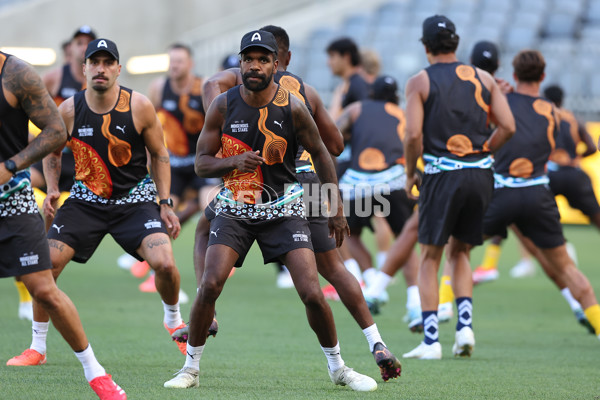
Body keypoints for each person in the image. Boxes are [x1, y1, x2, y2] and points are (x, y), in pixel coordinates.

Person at [182, 24, 402, 382]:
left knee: (204, 227)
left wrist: (230, 139)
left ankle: (209, 311)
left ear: (275, 58)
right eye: (250, 59)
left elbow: (210, 84)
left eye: (263, 58)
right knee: (333, 268)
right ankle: (375, 341)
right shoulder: (305, 91)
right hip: (309, 182)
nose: (256, 65)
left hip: (274, 185)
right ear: (290, 56)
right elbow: (335, 146)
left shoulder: (244, 89)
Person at [7, 38, 188, 367]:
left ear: (118, 69)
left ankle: (174, 320)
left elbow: (160, 155)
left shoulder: (140, 106)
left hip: (135, 202)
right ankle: (37, 347)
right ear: (84, 68)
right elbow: (51, 148)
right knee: (43, 267)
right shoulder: (68, 109)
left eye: (108, 63)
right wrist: (50, 189)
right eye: (95, 62)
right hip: (85, 204)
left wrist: (165, 203)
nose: (101, 69)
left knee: (165, 263)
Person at [0, 50, 125, 399]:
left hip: (12, 197)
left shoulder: (15, 73)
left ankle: (94, 371)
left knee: (43, 288)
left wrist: (11, 165)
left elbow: (55, 131)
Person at [402, 15, 515, 360]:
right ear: (456, 43)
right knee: (461, 252)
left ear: (425, 47)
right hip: (481, 175)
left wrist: (410, 172)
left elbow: (414, 135)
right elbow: (508, 126)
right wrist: (482, 154)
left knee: (429, 257)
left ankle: (431, 341)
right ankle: (465, 329)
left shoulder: (419, 81)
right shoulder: (484, 78)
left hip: (441, 174)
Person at [482, 49, 600, 341]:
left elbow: (485, 130)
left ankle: (444, 319)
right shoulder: (555, 112)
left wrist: (496, 91)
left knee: (453, 248)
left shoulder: (503, 102)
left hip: (504, 190)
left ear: (515, 74)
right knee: (569, 269)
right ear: (543, 76)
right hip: (539, 190)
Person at [335, 75, 421, 330]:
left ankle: (372, 281)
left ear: (371, 92)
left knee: (349, 234)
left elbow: (333, 135)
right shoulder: (403, 112)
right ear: (395, 95)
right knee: (404, 240)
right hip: (394, 182)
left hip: (358, 184)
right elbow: (415, 139)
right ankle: (414, 304)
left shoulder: (356, 108)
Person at [130, 43, 217, 293]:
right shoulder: (158, 88)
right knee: (162, 215)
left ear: (191, 64)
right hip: (174, 164)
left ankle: (218, 263)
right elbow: (148, 127)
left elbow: (219, 124)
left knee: (213, 208)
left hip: (202, 162)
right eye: (171, 61)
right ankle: (159, 271)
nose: (174, 65)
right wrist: (146, 164)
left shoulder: (205, 87)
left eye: (179, 61)